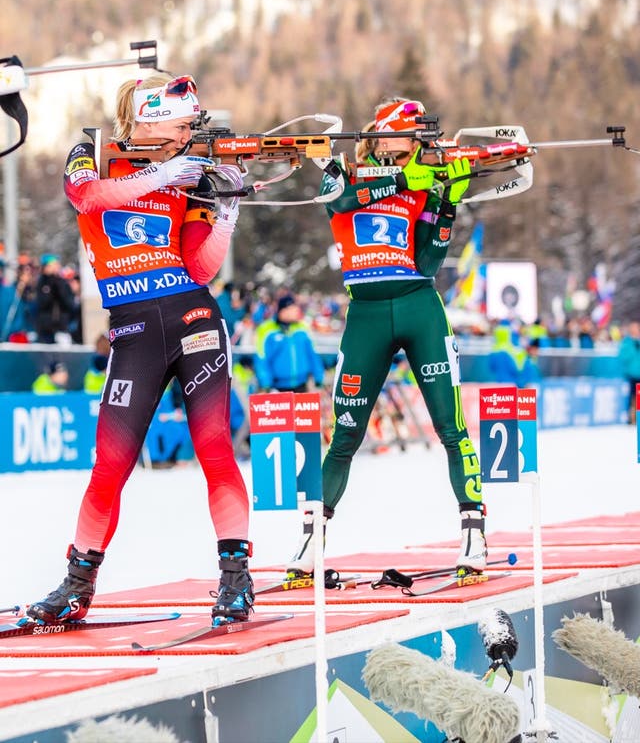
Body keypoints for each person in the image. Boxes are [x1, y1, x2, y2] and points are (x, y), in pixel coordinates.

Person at [25, 72, 253, 628]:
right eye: (179, 126)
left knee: (215, 447)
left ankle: (236, 580)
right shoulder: (94, 153)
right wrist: (160, 174)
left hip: (191, 313)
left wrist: (224, 214)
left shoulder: (190, 171)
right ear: (148, 116)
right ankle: (78, 585)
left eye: (190, 129)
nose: (185, 138)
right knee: (111, 463)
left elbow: (200, 266)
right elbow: (87, 196)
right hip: (131, 329)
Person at [287, 98, 487, 578]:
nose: (417, 144)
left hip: (419, 306)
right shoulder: (344, 169)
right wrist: (404, 180)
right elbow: (337, 201)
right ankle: (310, 543)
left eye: (421, 137)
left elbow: (428, 264)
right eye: (410, 134)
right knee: (346, 433)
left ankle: (474, 533)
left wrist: (446, 204)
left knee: (450, 425)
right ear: (381, 136)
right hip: (367, 314)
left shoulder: (423, 178)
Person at [254, 294, 325, 393]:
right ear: (283, 310)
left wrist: (319, 377)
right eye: (293, 309)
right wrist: (266, 384)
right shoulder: (266, 330)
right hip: (276, 388)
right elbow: (262, 359)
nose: (297, 311)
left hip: (302, 385)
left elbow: (312, 354)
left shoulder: (303, 328)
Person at [34, 254, 76, 344]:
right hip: (46, 329)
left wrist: (59, 286)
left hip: (62, 327)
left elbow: (69, 303)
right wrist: (50, 286)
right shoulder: (41, 283)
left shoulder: (63, 283)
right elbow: (42, 303)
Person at [618, 320, 640, 424]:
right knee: (632, 397)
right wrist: (634, 347)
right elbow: (623, 356)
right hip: (631, 375)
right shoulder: (627, 342)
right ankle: (631, 418)